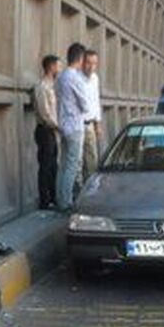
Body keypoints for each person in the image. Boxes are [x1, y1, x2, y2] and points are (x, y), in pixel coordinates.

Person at [54, 42, 90, 211]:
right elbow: (85, 104)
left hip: (63, 124)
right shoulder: (75, 78)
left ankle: (59, 198)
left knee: (63, 164)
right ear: (81, 59)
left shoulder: (60, 77)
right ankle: (66, 201)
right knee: (72, 165)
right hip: (75, 125)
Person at [32, 54, 61, 209]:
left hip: (52, 131)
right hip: (45, 130)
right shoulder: (41, 86)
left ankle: (53, 198)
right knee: (45, 166)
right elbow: (45, 114)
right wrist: (58, 126)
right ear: (51, 67)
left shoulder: (52, 86)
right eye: (58, 65)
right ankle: (44, 201)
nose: (59, 68)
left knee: (53, 166)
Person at [81, 50, 104, 179]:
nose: (91, 67)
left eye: (94, 63)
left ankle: (91, 186)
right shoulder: (77, 78)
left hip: (90, 124)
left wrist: (98, 124)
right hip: (77, 125)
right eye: (88, 63)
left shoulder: (95, 78)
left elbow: (96, 100)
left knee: (92, 159)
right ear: (82, 62)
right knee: (78, 162)